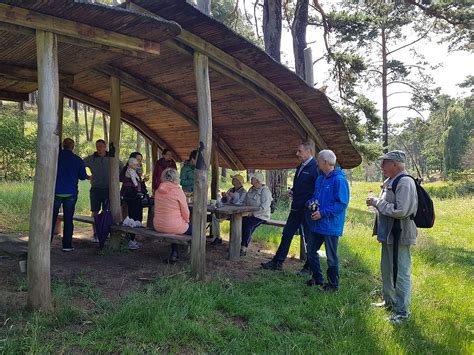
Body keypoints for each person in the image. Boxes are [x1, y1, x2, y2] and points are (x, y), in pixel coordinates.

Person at [366, 150, 418, 324]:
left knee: (401, 273)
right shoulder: (390, 181)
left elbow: (401, 211)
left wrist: (376, 202)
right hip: (388, 235)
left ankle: (403, 313)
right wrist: (377, 202)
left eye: (385, 163)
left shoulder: (405, 182)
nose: (382, 167)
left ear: (395, 164)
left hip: (400, 235)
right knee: (387, 270)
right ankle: (389, 302)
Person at [261, 142, 320, 272]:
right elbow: (301, 185)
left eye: (299, 151)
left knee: (309, 238)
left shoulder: (315, 167)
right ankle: (277, 262)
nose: (297, 154)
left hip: (307, 210)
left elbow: (317, 189)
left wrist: (311, 204)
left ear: (309, 151)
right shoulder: (300, 166)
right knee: (287, 234)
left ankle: (309, 267)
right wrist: (293, 191)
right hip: (295, 208)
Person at [305, 150, 349, 292]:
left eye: (318, 160)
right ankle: (318, 279)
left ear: (324, 162)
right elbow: (315, 196)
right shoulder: (320, 179)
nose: (316, 163)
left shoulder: (339, 180)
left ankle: (333, 285)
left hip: (331, 225)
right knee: (311, 251)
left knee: (331, 257)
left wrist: (322, 213)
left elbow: (341, 203)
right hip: (317, 224)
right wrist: (311, 203)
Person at [51, 138, 90, 251]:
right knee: (68, 219)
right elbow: (82, 176)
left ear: (63, 146)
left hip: (55, 192)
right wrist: (89, 177)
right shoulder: (77, 160)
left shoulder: (55, 157)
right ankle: (67, 245)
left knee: (51, 218)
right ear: (73, 147)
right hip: (70, 193)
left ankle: (46, 243)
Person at [83, 139, 122, 242]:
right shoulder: (91, 159)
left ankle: (104, 232)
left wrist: (117, 179)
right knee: (94, 211)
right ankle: (95, 234)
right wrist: (87, 176)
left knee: (107, 212)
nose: (99, 148)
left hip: (109, 189)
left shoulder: (112, 157)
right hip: (96, 189)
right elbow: (79, 166)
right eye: (97, 146)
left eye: (101, 146)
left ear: (105, 147)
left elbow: (123, 168)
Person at [153, 168, 192, 262]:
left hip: (158, 225)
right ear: (175, 178)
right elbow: (185, 211)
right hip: (173, 226)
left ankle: (175, 253)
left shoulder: (158, 191)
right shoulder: (178, 191)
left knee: (174, 228)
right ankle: (195, 255)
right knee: (197, 231)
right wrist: (187, 221)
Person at [240, 172, 272, 256]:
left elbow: (264, 208)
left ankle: (243, 248)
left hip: (261, 216)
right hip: (249, 214)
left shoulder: (265, 191)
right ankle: (237, 245)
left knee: (248, 225)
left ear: (257, 181)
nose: (251, 180)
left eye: (252, 178)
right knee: (239, 222)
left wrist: (253, 213)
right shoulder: (251, 189)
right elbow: (246, 201)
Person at [120, 156, 145, 250]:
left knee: (137, 214)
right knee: (132, 215)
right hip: (131, 194)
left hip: (136, 194)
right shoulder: (128, 170)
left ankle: (133, 238)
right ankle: (130, 239)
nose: (138, 163)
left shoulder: (136, 170)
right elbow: (134, 180)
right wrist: (136, 183)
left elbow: (138, 179)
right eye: (137, 160)